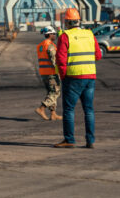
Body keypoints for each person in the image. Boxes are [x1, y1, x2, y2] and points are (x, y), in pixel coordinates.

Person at [53, 8, 102, 148]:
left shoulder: (65, 36)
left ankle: (69, 140)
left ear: (67, 22)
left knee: (69, 110)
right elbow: (98, 55)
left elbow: (61, 60)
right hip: (90, 76)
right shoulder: (89, 34)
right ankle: (90, 141)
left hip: (73, 77)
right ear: (79, 21)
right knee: (89, 109)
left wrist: (63, 76)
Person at [35, 26, 63, 121]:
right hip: (52, 73)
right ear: (50, 34)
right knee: (55, 92)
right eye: (54, 34)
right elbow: (54, 60)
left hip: (43, 73)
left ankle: (53, 114)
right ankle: (41, 108)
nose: (55, 36)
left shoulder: (40, 46)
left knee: (50, 92)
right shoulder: (50, 45)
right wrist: (61, 71)